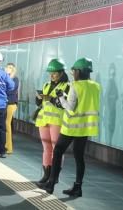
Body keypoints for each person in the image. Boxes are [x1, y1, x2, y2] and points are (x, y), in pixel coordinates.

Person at [39, 58, 100, 197]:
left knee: (58, 151)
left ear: (78, 71)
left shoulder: (75, 86)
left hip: (72, 126)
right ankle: (77, 187)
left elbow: (70, 108)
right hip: (86, 127)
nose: (72, 73)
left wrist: (60, 98)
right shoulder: (96, 86)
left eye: (74, 70)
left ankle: (51, 183)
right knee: (79, 157)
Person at [35, 59, 70, 185]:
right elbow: (41, 103)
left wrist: (50, 98)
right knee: (46, 148)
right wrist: (38, 99)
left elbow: (64, 104)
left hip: (57, 122)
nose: (51, 75)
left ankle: (54, 177)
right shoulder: (46, 85)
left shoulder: (67, 86)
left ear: (61, 73)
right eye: (50, 73)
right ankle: (46, 175)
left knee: (57, 149)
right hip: (44, 121)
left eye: (54, 73)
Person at [5, 63, 19, 154]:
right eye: (7, 67)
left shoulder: (15, 79)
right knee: (4, 125)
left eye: (10, 68)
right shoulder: (5, 78)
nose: (7, 69)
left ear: (13, 69)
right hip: (4, 103)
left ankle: (9, 148)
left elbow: (12, 90)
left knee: (7, 124)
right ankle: (4, 145)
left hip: (11, 103)